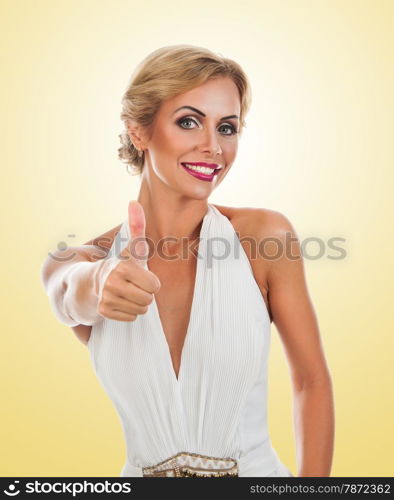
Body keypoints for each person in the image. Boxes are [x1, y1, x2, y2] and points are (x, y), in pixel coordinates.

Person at [41, 44, 334, 477]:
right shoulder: (82, 261)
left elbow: (311, 382)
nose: (213, 147)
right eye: (189, 121)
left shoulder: (263, 238)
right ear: (138, 131)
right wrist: (99, 281)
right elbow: (67, 292)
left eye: (228, 128)